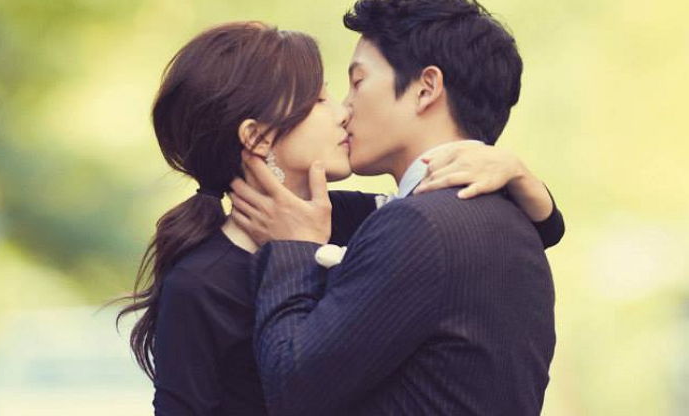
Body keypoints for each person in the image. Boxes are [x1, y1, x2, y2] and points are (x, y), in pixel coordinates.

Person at [119, 21, 562, 415]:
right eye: (318, 100)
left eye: (345, 90)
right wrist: (296, 249)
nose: (342, 111)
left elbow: (478, 235)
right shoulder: (201, 282)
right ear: (257, 137)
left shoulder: (349, 217)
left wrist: (516, 172)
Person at [232, 0, 558, 416]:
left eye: (357, 82)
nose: (344, 109)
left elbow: (294, 388)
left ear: (426, 88)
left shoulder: (419, 226)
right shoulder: (512, 217)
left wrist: (293, 249)